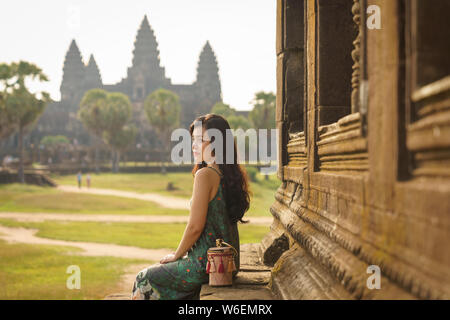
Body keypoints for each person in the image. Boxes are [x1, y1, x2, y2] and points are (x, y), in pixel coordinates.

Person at [131, 114, 251, 300]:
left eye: (199, 140)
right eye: (192, 139)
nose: (193, 145)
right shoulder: (228, 173)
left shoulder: (206, 174)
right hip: (227, 263)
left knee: (143, 278)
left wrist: (176, 255)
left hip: (205, 264)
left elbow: (195, 227)